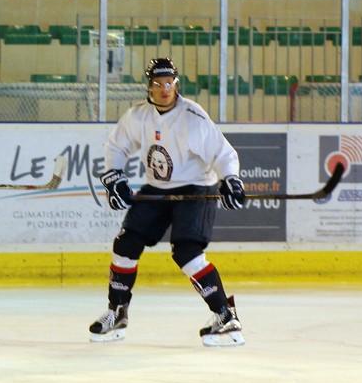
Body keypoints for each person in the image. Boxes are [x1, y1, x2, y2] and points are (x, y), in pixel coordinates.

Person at [90, 57, 247, 347]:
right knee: (126, 244)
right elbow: (117, 146)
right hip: (159, 188)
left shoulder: (192, 117)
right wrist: (115, 175)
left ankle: (226, 316)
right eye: (158, 84)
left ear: (176, 84)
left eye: (169, 83)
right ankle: (117, 311)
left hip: (196, 188)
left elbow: (223, 153)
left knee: (187, 252)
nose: (165, 89)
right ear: (149, 87)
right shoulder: (139, 116)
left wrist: (231, 180)